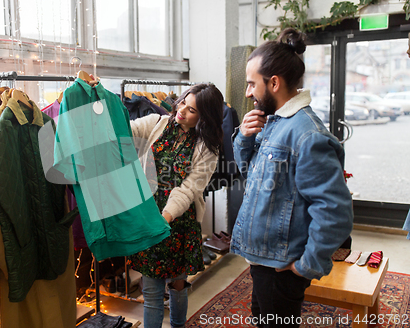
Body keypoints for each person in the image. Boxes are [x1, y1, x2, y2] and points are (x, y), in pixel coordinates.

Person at [230, 28, 353, 327]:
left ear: (274, 82)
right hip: (265, 259)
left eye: (251, 84)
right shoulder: (275, 122)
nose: (248, 92)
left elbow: (334, 211)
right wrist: (244, 138)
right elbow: (251, 174)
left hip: (282, 268)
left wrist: (306, 265)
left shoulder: (306, 134)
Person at [127, 83, 224, 328]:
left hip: (179, 222)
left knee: (177, 284)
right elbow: (125, 129)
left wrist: (167, 217)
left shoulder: (207, 148)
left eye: (192, 110)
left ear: (204, 117)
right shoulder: (156, 123)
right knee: (151, 290)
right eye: (183, 103)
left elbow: (190, 188)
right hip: (150, 217)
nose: (181, 110)